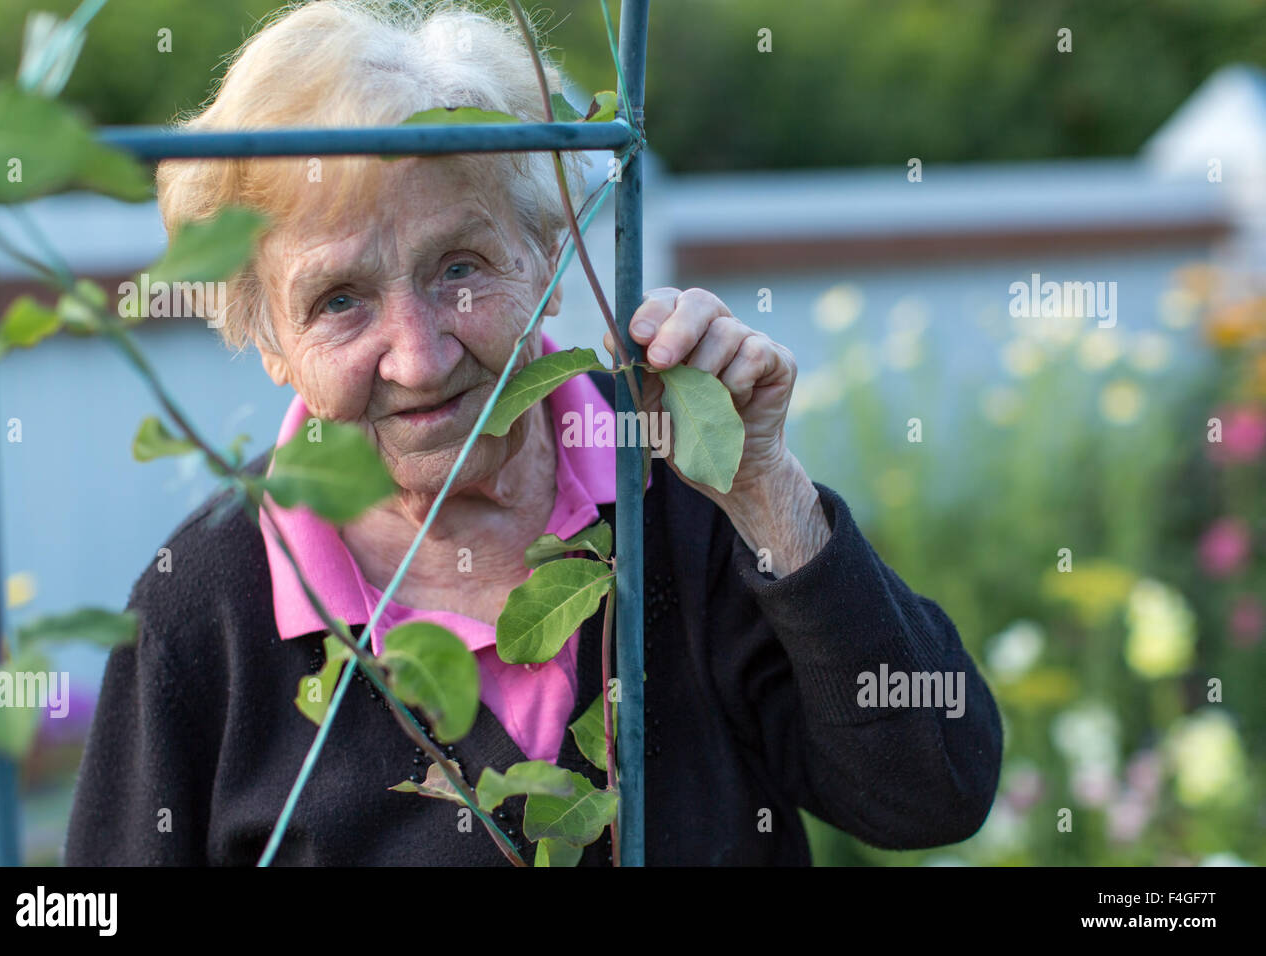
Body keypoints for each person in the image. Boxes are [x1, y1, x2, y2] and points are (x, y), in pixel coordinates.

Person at [65, 0, 1002, 866]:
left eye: (460, 267)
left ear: (547, 255)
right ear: (269, 338)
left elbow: (936, 791)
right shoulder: (202, 612)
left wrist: (768, 493)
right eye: (339, 299)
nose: (421, 359)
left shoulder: (678, 478)